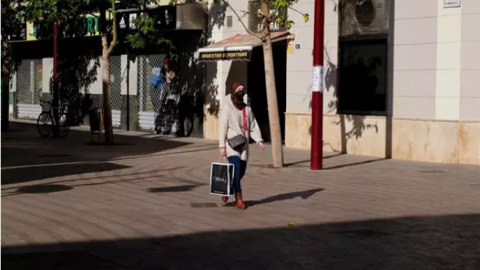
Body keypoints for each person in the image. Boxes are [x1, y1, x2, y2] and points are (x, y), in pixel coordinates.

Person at [218, 82, 265, 210]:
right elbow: (222, 127)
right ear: (233, 92)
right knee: (236, 168)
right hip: (231, 145)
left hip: (244, 145)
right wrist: (222, 145)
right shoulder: (227, 108)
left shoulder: (247, 109)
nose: (241, 91)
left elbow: (253, 126)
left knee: (240, 173)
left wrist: (259, 140)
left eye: (243, 89)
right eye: (239, 89)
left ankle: (227, 190)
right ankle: (239, 198)